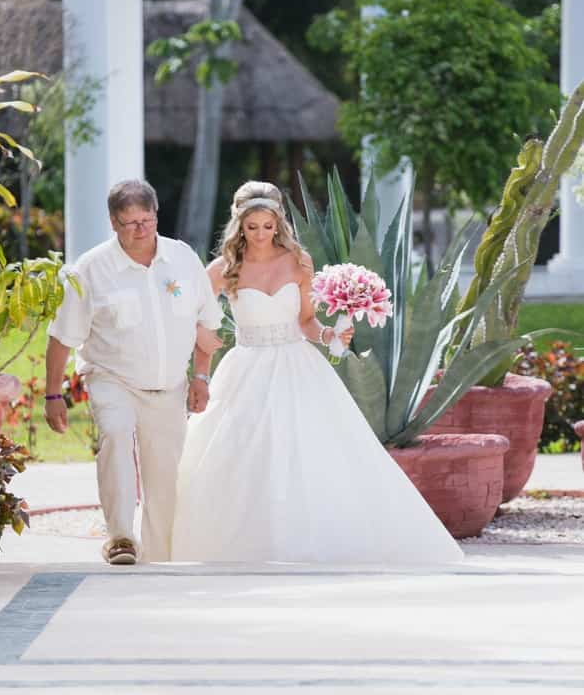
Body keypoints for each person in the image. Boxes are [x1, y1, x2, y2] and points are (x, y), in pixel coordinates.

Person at [171, 181, 463, 565]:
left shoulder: (299, 262)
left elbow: (307, 321)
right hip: (246, 368)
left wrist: (329, 334)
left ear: (279, 223)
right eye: (252, 227)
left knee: (314, 454)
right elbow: (191, 314)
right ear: (239, 225)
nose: (260, 235)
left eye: (268, 226)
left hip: (298, 365)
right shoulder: (223, 269)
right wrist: (201, 369)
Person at [45, 179, 222, 565]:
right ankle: (120, 536)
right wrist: (52, 395)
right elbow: (61, 336)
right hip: (112, 378)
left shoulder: (183, 259)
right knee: (116, 433)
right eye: (130, 223)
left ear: (156, 215)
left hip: (169, 387)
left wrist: (201, 377)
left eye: (146, 220)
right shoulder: (90, 269)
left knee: (165, 475)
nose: (140, 229)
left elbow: (206, 327)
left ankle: (158, 555)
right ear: (113, 222)